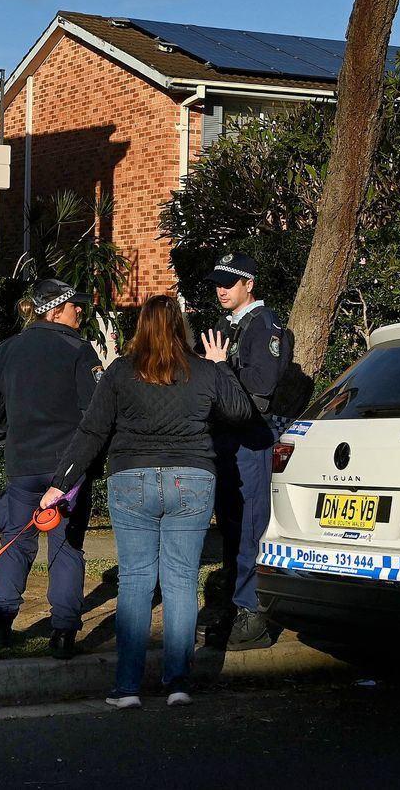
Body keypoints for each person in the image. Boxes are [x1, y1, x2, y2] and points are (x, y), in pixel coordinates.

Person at [41, 295, 255, 709]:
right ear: (181, 328)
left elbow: (92, 433)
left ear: (141, 327)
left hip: (130, 477)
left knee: (136, 582)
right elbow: (242, 413)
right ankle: (177, 683)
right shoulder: (204, 371)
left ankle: (127, 688)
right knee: (181, 581)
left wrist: (59, 485)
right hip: (192, 477)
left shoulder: (121, 371)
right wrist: (222, 364)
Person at [0, 278, 104, 660]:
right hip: (67, 472)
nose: (80, 311)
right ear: (53, 310)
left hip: (23, 468)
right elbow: (94, 412)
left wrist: (7, 441)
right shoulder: (79, 351)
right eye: (73, 305)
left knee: (14, 542)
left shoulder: (8, 350)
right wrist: (83, 459)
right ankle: (63, 631)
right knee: (66, 548)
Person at [203, 251, 290, 651]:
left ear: (248, 284)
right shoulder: (228, 324)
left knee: (250, 525)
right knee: (232, 524)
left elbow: (261, 387)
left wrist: (221, 369)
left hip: (251, 438)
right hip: (226, 439)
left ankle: (252, 611)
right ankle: (235, 604)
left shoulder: (263, 325)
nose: (221, 289)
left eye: (229, 282)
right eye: (218, 283)